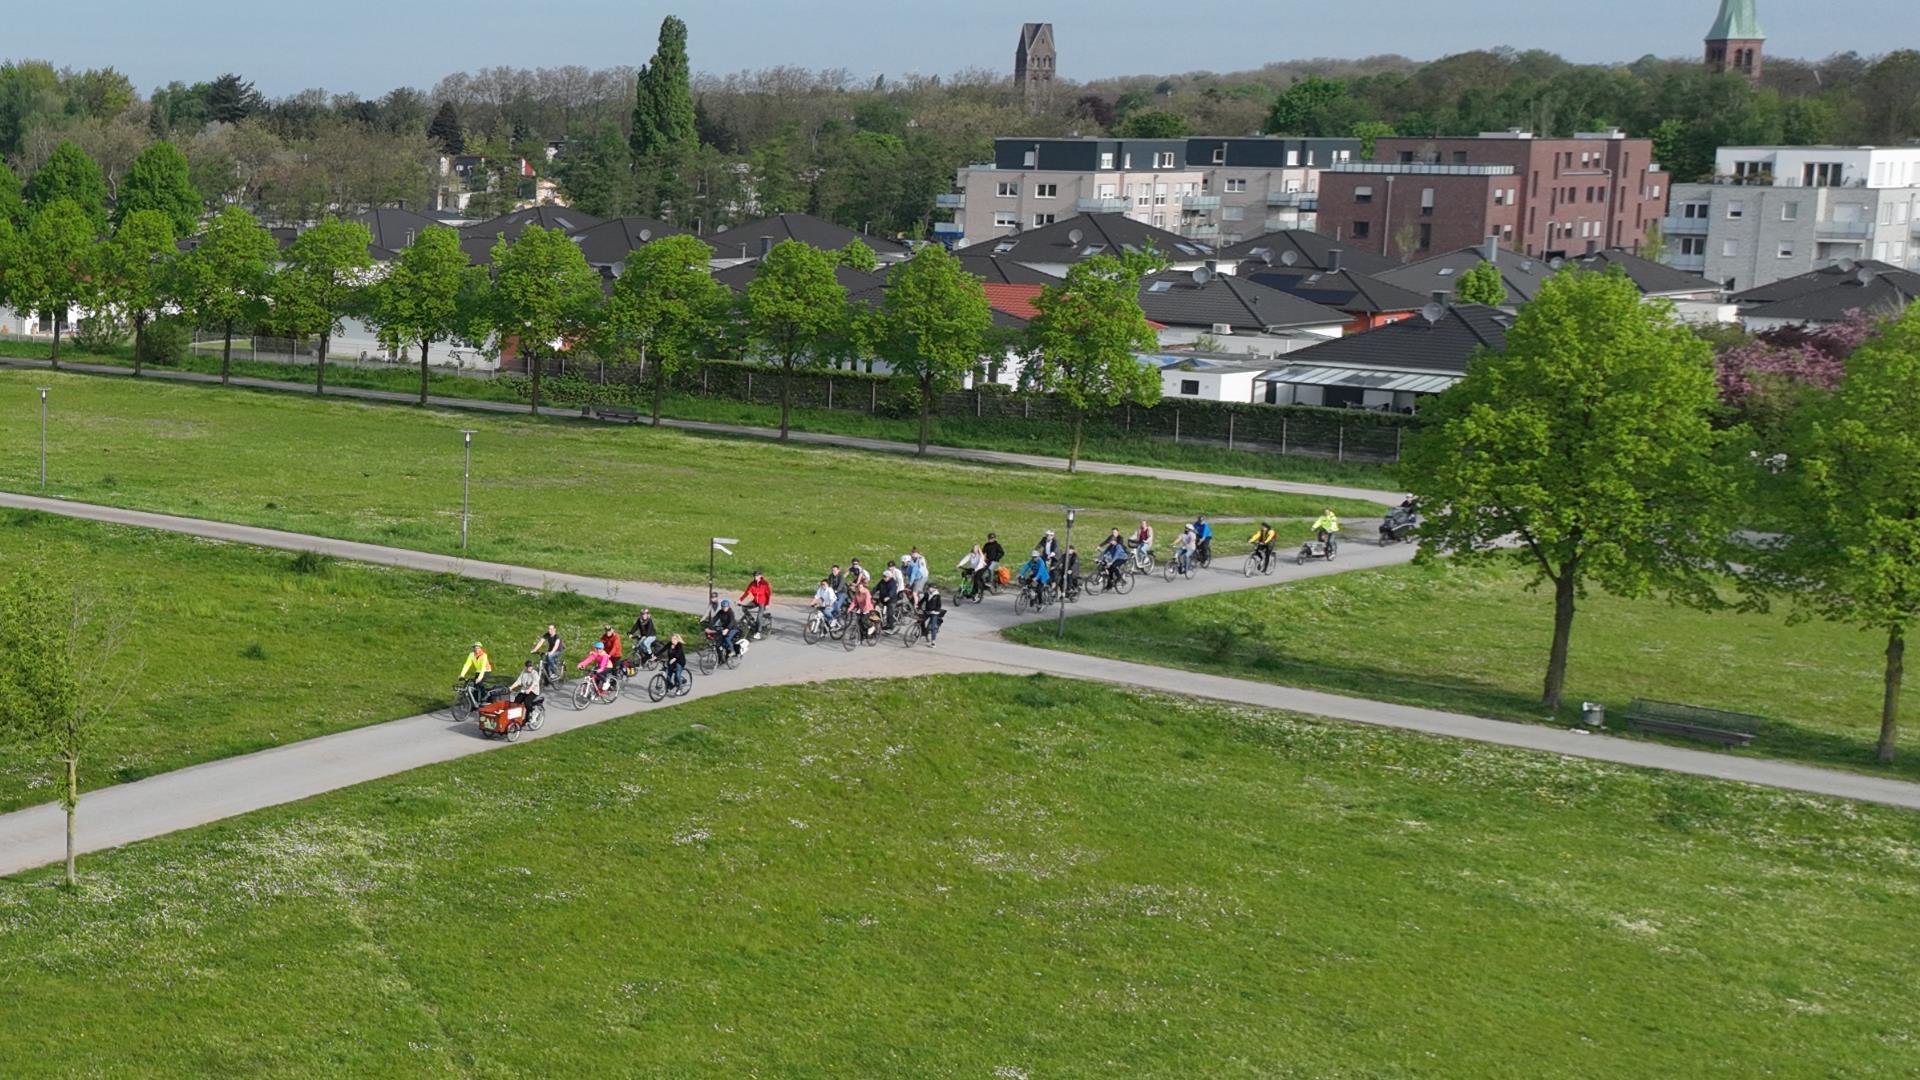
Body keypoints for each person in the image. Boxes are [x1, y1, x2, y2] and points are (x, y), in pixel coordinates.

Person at [739, 571, 772, 639]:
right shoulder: (752, 584)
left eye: (757, 576)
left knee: (759, 617)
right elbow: (747, 592)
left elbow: (768, 594)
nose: (755, 577)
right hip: (755, 601)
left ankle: (758, 633)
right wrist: (740, 600)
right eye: (754, 576)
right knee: (744, 608)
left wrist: (768, 604)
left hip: (763, 602)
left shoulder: (764, 584)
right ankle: (752, 622)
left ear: (760, 576)